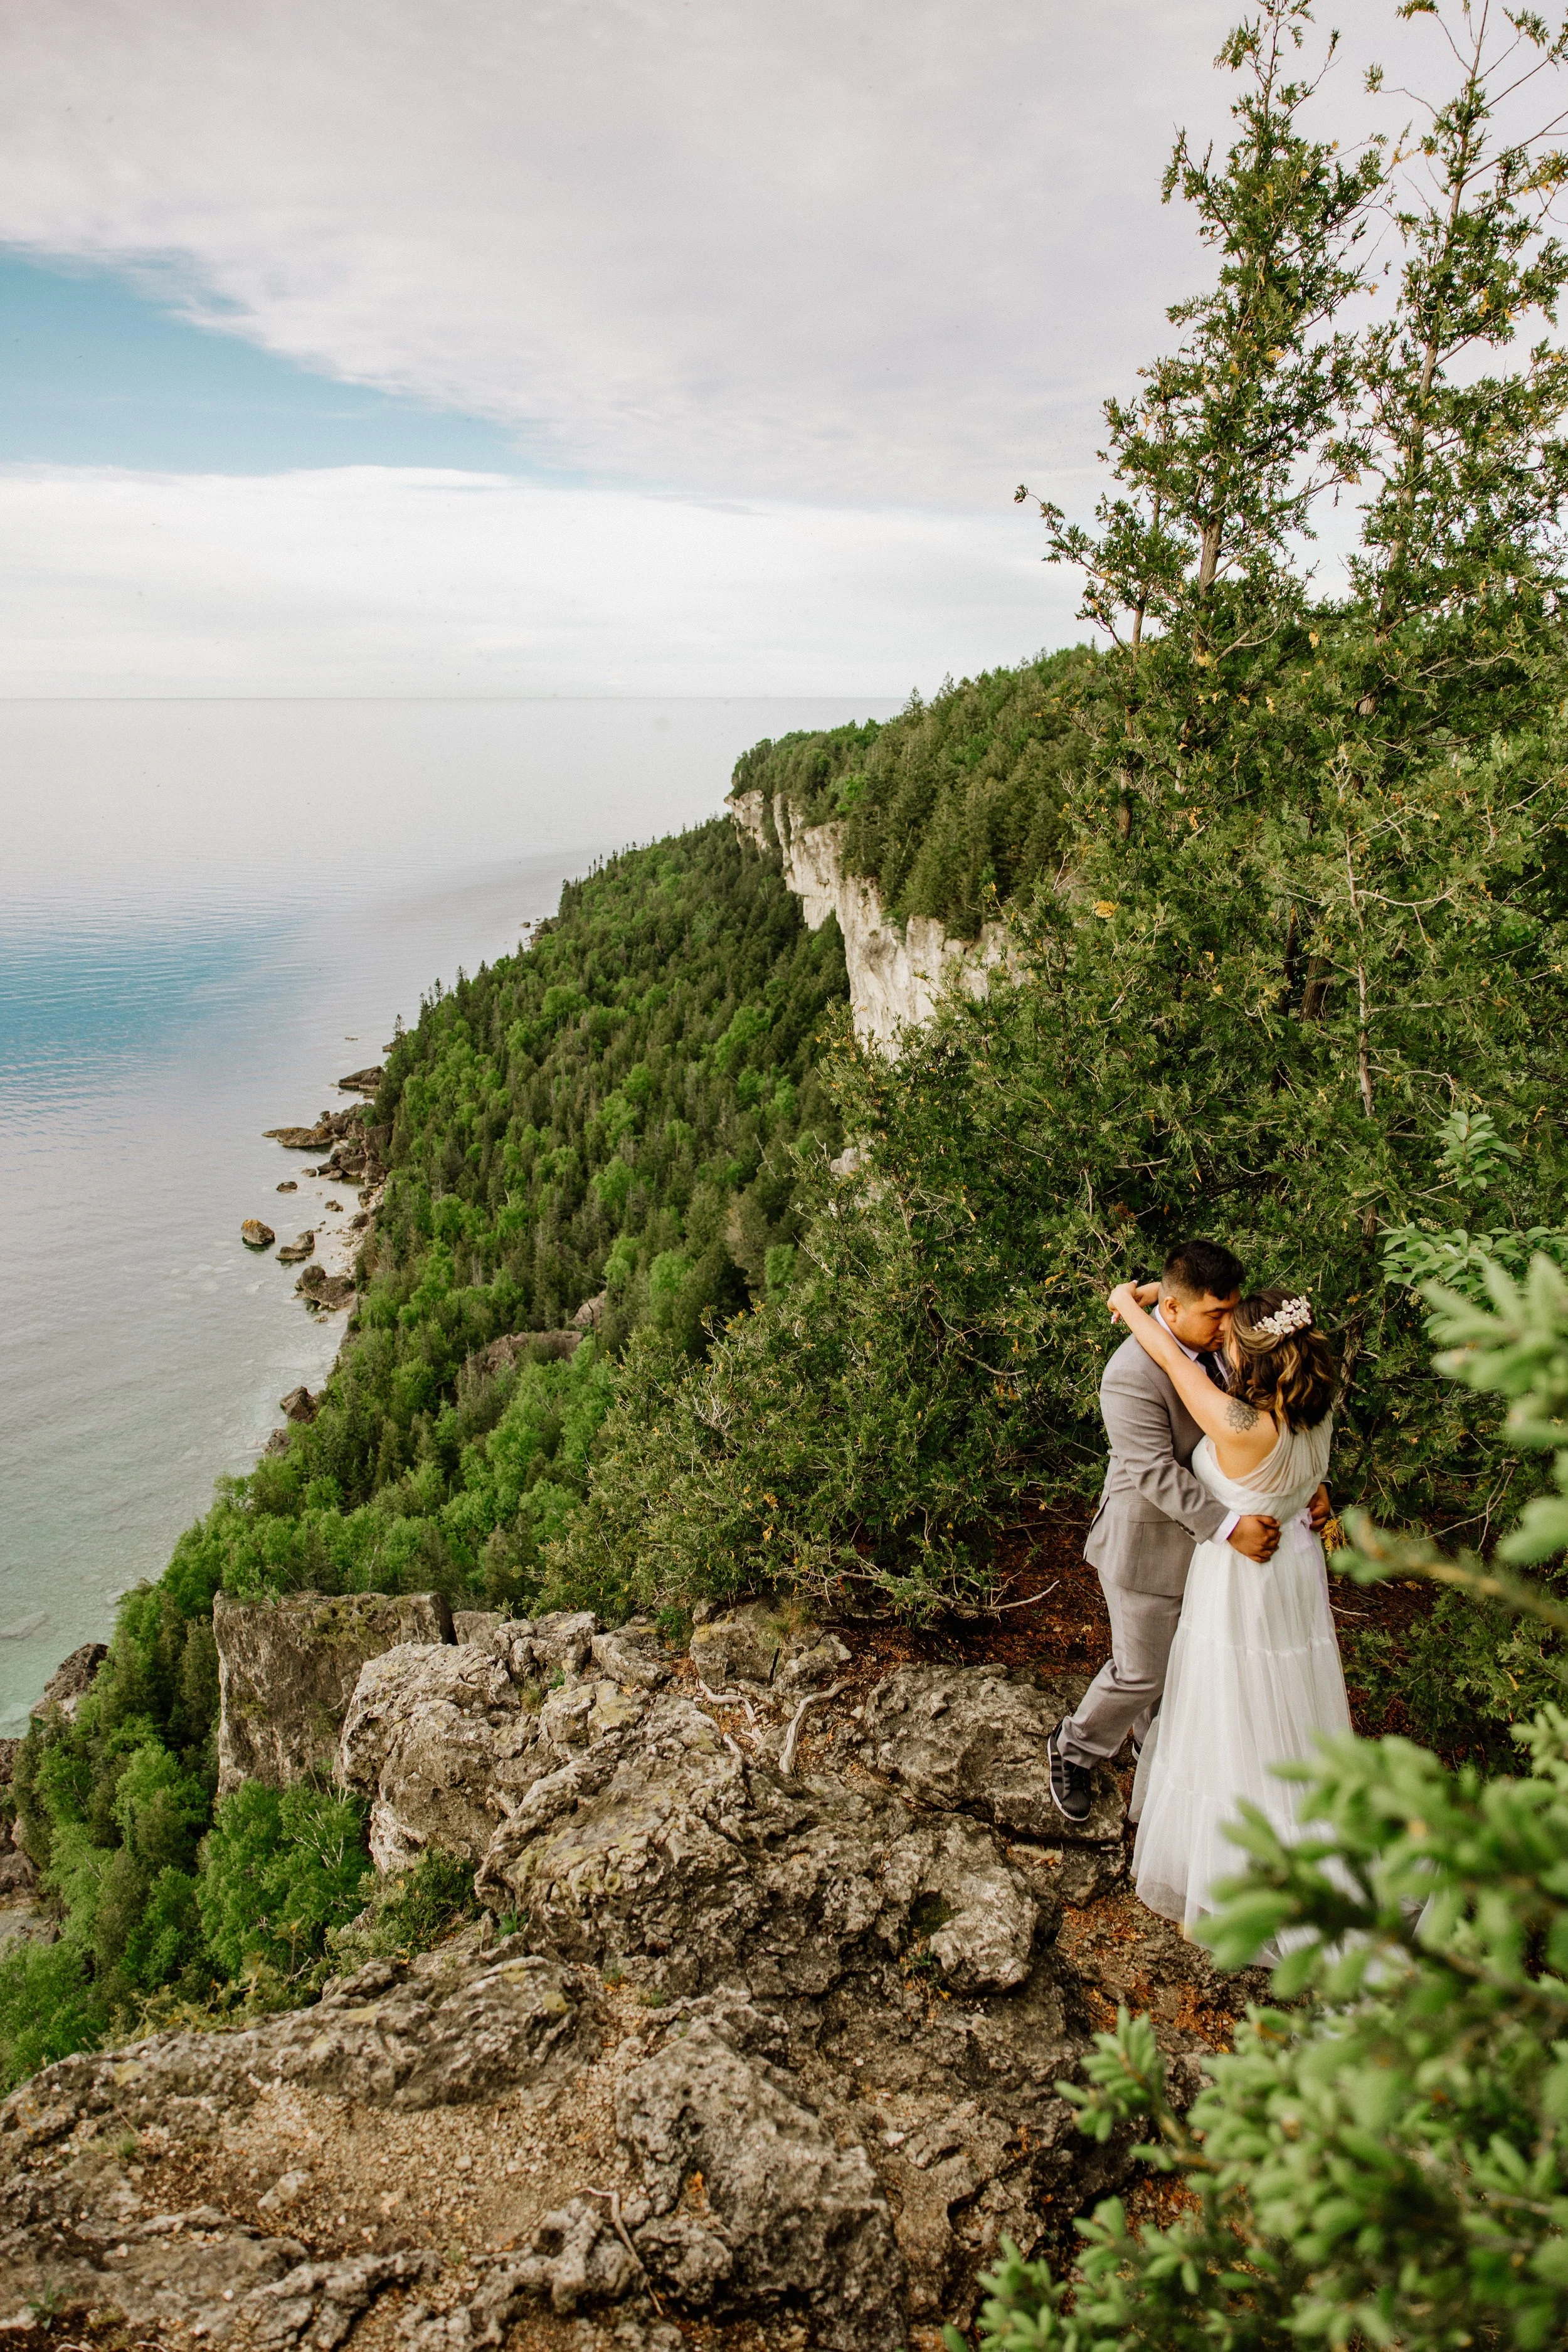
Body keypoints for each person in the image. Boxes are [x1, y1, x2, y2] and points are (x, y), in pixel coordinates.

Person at [1049, 1240, 1328, 1825]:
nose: (1230, 1327)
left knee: (1185, 1672)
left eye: (1233, 1312)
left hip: (1218, 1556)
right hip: (1150, 1543)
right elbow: (1152, 1471)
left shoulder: (1228, 1346)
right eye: (1216, 1315)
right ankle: (1074, 1748)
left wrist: (1302, 1488)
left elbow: (1277, 1416)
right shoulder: (1128, 1373)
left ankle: (1158, 1756)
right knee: (1143, 1670)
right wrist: (1229, 1527)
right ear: (1173, 1313)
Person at [1102, 1278, 1350, 1932]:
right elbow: (1307, 1476)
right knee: (1289, 1703)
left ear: (1255, 1359)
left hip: (1242, 1576)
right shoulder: (1315, 1412)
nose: (1223, 1348)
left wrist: (1130, 1306)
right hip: (1295, 1569)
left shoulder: (1241, 1423)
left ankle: (1229, 1867)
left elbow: (1170, 1360)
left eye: (1234, 1343)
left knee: (1231, 1702)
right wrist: (1314, 1498)